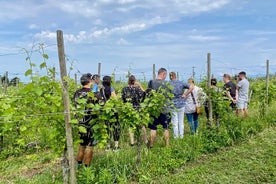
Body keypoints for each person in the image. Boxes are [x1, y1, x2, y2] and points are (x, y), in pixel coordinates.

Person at [74, 73, 98, 167]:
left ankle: (79, 164)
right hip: (91, 123)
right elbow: (101, 104)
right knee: (90, 146)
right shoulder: (93, 94)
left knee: (82, 144)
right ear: (89, 81)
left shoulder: (76, 93)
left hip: (80, 123)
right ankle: (87, 167)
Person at [148, 68, 171, 148]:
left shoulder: (151, 82)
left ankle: (151, 145)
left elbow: (149, 94)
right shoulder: (167, 84)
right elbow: (169, 96)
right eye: (166, 75)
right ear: (163, 74)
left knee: (153, 128)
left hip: (154, 109)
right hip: (165, 109)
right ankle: (167, 146)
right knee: (166, 128)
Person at [122, 75, 148, 146]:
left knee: (131, 126)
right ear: (134, 81)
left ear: (128, 81)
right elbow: (144, 95)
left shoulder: (124, 89)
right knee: (142, 125)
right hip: (137, 108)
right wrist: (140, 86)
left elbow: (123, 100)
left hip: (129, 109)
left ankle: (132, 142)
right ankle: (145, 141)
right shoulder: (137, 89)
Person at [169, 72, 193, 139]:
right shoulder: (181, 83)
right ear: (175, 76)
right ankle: (181, 136)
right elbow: (191, 87)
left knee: (174, 122)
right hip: (181, 104)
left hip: (173, 105)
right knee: (181, 122)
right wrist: (185, 94)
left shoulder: (168, 84)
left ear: (170, 77)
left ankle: (176, 137)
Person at [100, 76, 120, 151]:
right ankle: (116, 146)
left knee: (107, 127)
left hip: (105, 111)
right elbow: (115, 99)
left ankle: (108, 146)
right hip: (112, 111)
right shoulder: (111, 88)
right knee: (115, 127)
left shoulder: (101, 89)